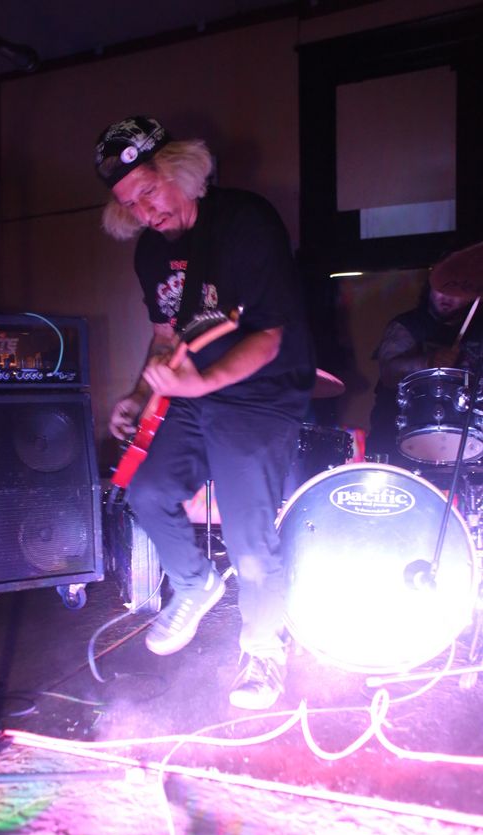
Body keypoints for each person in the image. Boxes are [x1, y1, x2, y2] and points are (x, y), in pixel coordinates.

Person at [95, 116, 315, 710]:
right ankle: (195, 584)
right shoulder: (150, 252)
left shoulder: (245, 221)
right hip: (194, 394)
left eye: (148, 191)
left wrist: (203, 381)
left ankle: (264, 648)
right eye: (129, 203)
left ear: (181, 171)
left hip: (261, 391)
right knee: (146, 491)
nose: (145, 211)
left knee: (248, 533)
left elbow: (268, 335)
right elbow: (165, 336)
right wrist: (139, 395)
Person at [367, 278, 481, 467]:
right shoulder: (408, 325)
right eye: (442, 288)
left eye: (457, 293)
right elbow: (389, 372)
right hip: (399, 437)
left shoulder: (478, 330)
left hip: (470, 440)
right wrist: (427, 362)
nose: (447, 297)